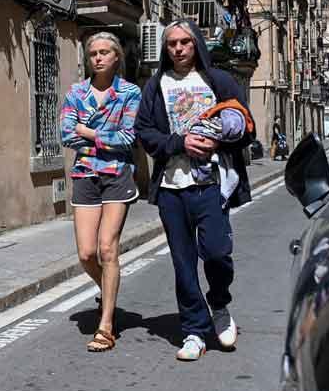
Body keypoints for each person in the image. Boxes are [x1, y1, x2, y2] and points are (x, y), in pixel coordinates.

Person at [137, 21, 255, 361]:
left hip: (211, 184)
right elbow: (144, 131)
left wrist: (218, 138)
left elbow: (247, 127)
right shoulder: (156, 86)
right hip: (172, 188)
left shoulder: (219, 81)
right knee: (183, 262)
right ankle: (193, 330)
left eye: (184, 42)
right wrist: (179, 141)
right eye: (171, 43)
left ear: (196, 44)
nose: (177, 48)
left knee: (217, 252)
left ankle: (219, 304)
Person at [59, 32, 142, 353]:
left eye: (105, 52)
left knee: (108, 250)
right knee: (86, 254)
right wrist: (104, 135)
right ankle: (108, 290)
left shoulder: (130, 93)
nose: (98, 57)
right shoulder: (76, 92)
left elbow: (128, 138)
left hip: (117, 177)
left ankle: (106, 325)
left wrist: (88, 131)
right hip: (85, 175)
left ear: (116, 56)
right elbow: (67, 135)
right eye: (93, 52)